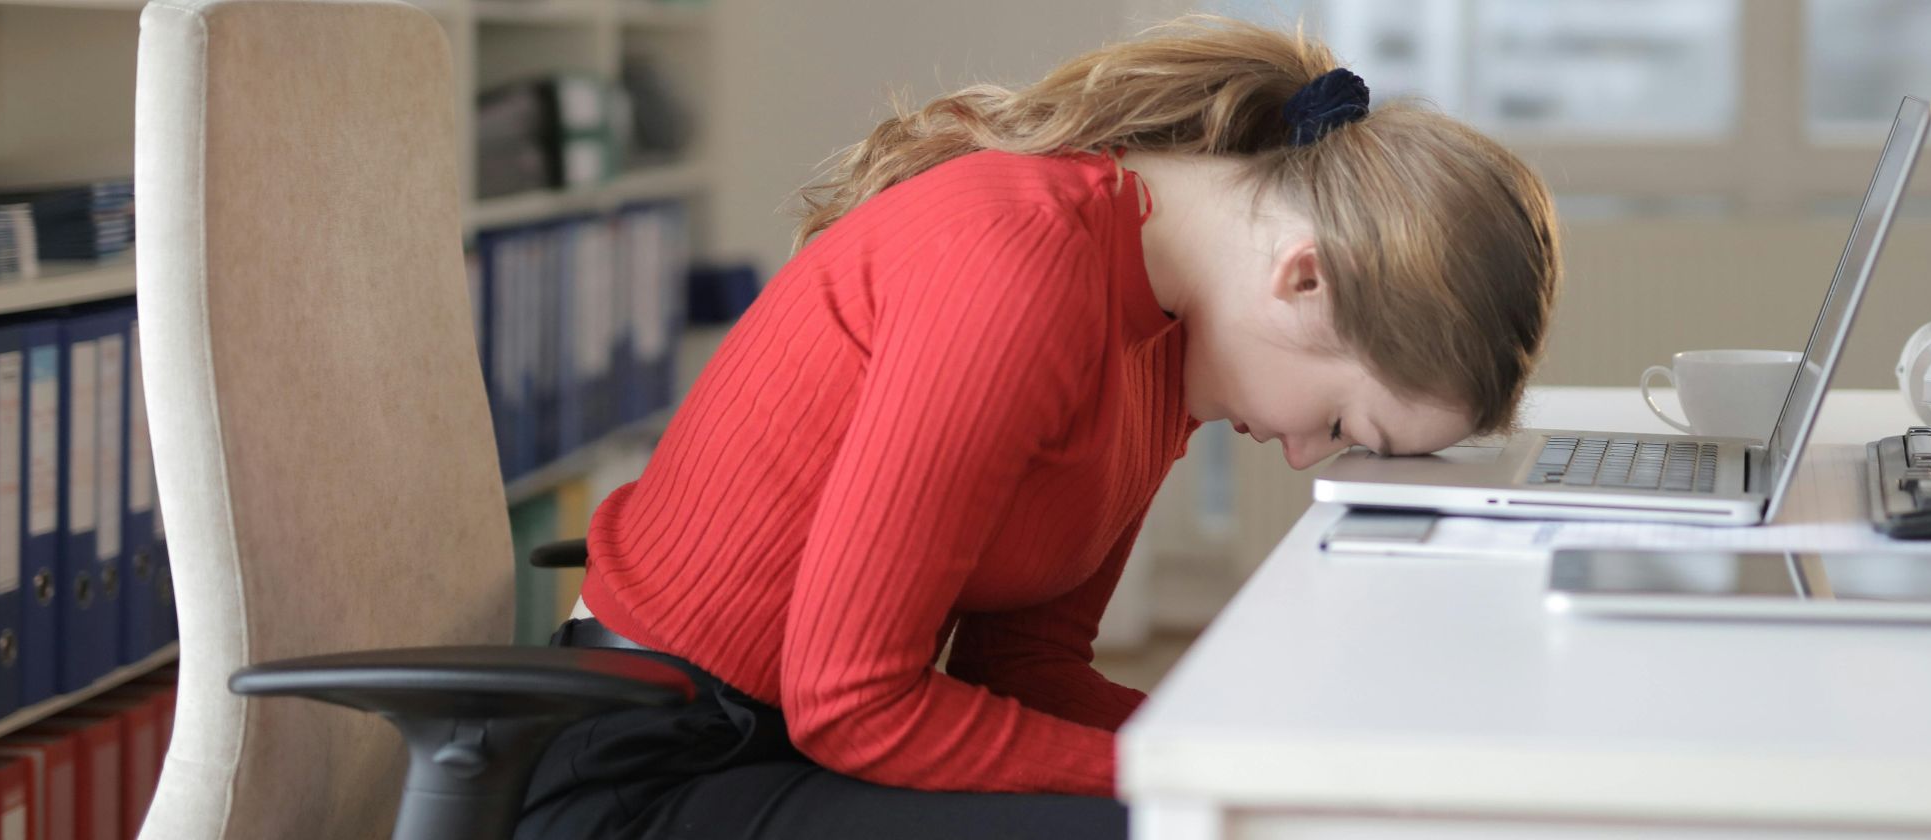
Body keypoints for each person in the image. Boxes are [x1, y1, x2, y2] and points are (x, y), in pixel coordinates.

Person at [518, 15, 1559, 840]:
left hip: (779, 749)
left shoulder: (1165, 340)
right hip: (652, 775)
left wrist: (1262, 752)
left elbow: (1026, 669)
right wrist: (1200, 768)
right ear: (1306, 278)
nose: (1301, 452)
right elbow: (854, 703)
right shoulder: (1020, 268)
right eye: (1338, 422)